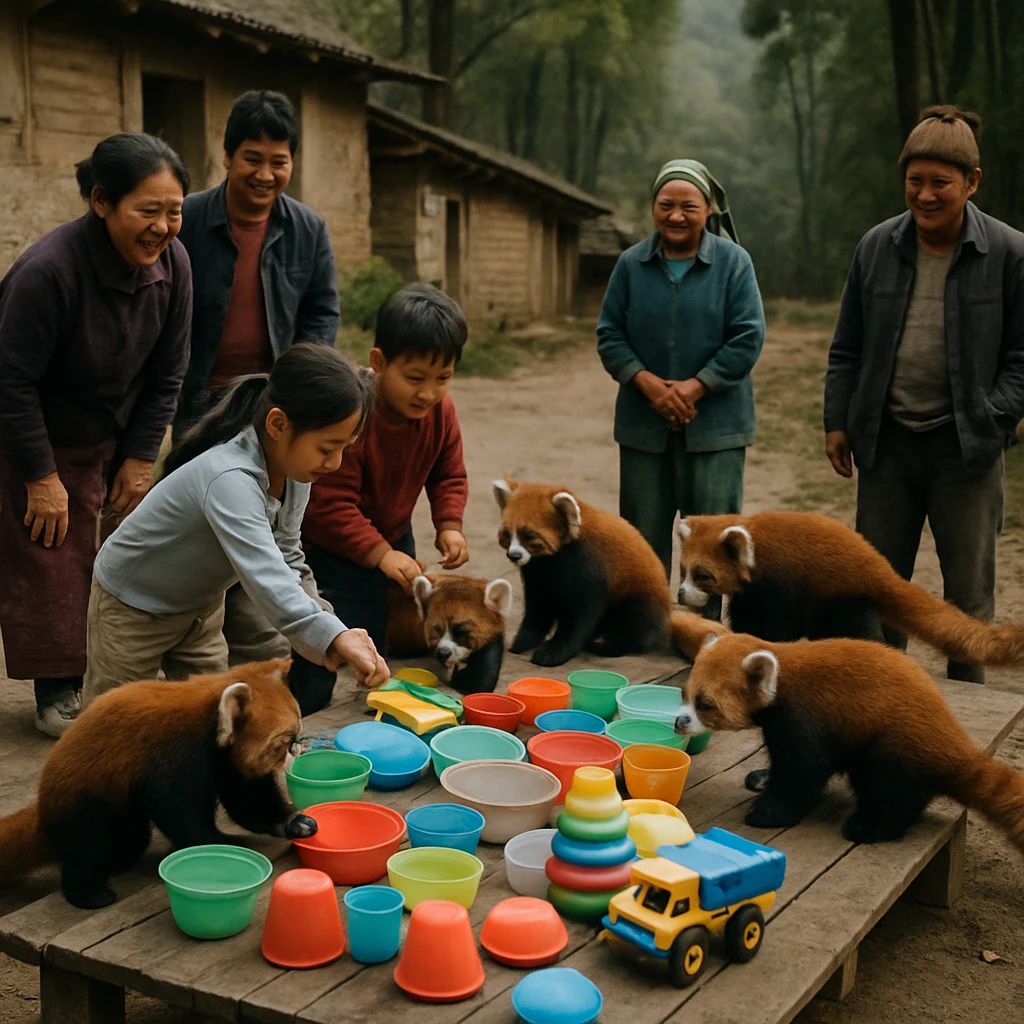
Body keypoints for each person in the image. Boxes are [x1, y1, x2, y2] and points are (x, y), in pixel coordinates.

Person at [0, 133, 192, 737]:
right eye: (148, 210)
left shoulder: (174, 265)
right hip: (37, 439)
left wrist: (141, 456)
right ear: (101, 201)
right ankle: (57, 688)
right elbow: (10, 380)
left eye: (175, 211)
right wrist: (41, 476)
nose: (163, 227)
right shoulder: (47, 271)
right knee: (51, 559)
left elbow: (170, 370)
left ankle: (105, 672)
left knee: (115, 556)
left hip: (114, 438)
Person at [824, 105, 1024, 684]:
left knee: (967, 600)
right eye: (916, 181)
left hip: (967, 451)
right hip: (885, 447)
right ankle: (882, 708)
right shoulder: (877, 247)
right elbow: (848, 346)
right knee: (877, 589)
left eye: (941, 182)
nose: (927, 194)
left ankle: (965, 725)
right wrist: (839, 420)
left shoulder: (1010, 254)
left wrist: (992, 416)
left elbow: (1021, 356)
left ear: (972, 182)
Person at [81, 343, 391, 715]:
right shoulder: (229, 479)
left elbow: (289, 558)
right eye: (327, 448)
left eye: (345, 448)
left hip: (200, 608)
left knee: (211, 718)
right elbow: (266, 574)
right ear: (278, 425)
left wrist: (334, 626)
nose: (335, 462)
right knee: (115, 723)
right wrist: (333, 636)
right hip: (131, 605)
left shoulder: (296, 474)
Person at [173, 89, 342, 668]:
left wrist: (303, 389)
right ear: (226, 156)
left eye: (279, 161)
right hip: (194, 406)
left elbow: (322, 313)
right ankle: (194, 664)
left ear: (292, 162)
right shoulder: (188, 219)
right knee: (197, 534)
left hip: (272, 409)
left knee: (268, 534)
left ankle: (260, 661)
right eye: (253, 158)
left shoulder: (307, 230)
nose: (266, 174)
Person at [596, 158, 766, 618]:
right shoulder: (632, 264)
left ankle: (700, 628)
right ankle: (643, 625)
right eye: (665, 204)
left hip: (717, 429)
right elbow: (610, 334)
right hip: (642, 426)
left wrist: (695, 388)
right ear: (653, 207)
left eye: (688, 205)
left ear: (708, 208)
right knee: (641, 534)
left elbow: (748, 336)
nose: (676, 215)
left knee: (709, 539)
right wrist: (652, 387)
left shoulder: (734, 264)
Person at [302, 283, 469, 654]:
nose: (428, 393)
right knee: (349, 635)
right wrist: (379, 554)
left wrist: (449, 525)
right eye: (414, 378)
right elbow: (329, 506)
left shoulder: (441, 412)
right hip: (332, 547)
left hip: (395, 533)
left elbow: (449, 473)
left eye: (443, 378)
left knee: (402, 629)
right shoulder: (352, 413)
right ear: (378, 362)